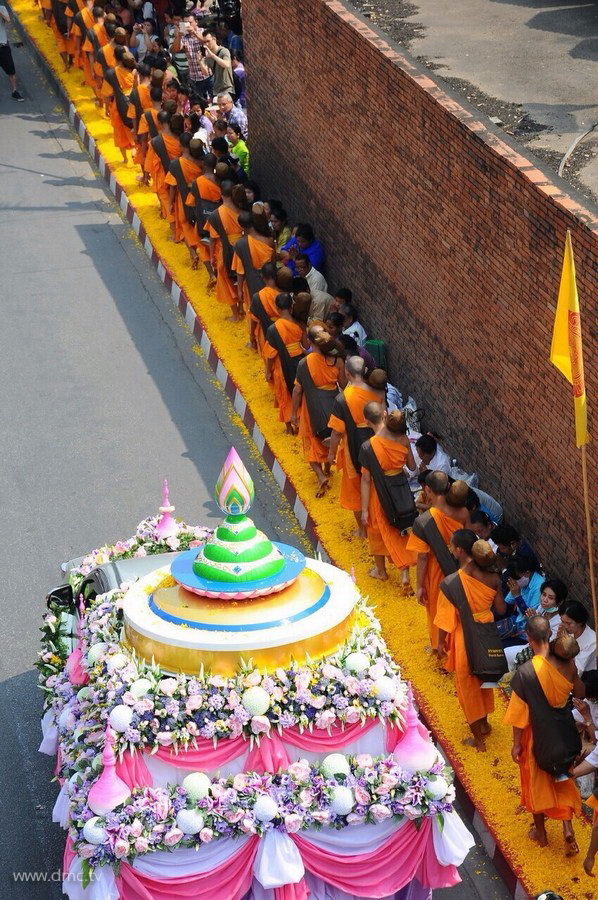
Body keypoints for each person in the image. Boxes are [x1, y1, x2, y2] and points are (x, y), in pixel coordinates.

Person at [505, 615, 583, 854]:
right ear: (549, 634)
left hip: (536, 736)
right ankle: (567, 826)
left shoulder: (527, 672)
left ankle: (541, 832)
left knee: (535, 782)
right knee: (561, 777)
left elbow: (520, 714)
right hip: (563, 733)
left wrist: (517, 744)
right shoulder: (567, 664)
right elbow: (580, 691)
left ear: (528, 638)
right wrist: (575, 672)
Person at [436, 532, 505, 750]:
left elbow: (445, 622)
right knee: (484, 680)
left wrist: (439, 645)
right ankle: (484, 724)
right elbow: (502, 609)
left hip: (465, 638)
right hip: (488, 635)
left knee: (468, 689)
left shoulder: (453, 583)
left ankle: (479, 740)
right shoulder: (494, 578)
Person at [407, 471, 470, 649]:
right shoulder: (463, 512)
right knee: (455, 607)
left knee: (437, 607)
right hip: (459, 566)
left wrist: (419, 586)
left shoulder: (425, 520)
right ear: (448, 487)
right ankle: (454, 646)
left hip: (436, 570)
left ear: (427, 489)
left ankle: (438, 646)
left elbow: (423, 556)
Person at [327, 356, 385, 539]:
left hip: (353, 445)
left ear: (347, 373)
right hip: (377, 442)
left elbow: (336, 432)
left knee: (355, 489)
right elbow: (384, 418)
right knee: (374, 485)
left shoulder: (343, 398)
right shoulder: (377, 393)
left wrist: (331, 455)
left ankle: (362, 530)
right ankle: (377, 526)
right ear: (365, 371)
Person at [359, 405, 418, 584]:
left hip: (381, 493)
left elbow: (366, 479)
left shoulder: (369, 446)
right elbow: (413, 467)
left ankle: (380, 570)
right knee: (400, 529)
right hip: (401, 489)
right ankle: (405, 572)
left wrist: (364, 510)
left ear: (385, 419)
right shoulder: (404, 440)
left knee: (377, 530)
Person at [291, 329, 346, 497]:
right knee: (330, 435)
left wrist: (294, 413)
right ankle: (328, 468)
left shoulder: (305, 363)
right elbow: (343, 384)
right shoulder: (338, 361)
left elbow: (298, 390)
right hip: (333, 403)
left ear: (314, 344)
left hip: (312, 406)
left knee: (311, 440)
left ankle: (321, 475)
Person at [264, 293, 306, 431]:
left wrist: (268, 371)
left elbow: (270, 354)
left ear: (277, 308)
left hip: (281, 365)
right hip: (299, 362)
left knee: (284, 395)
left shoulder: (273, 329)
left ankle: (289, 427)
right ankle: (300, 425)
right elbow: (305, 345)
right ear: (291, 308)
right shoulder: (300, 325)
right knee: (298, 393)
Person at [206, 178, 243, 318]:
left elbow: (213, 238)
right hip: (242, 249)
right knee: (240, 279)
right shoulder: (241, 209)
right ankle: (241, 308)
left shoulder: (217, 214)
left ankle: (235, 314)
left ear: (220, 193)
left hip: (225, 251)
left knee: (226, 282)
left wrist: (211, 257)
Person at [185, 151, 221, 278]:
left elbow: (193, 202)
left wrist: (195, 218)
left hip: (202, 218)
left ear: (204, 165)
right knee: (217, 246)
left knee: (202, 246)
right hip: (218, 218)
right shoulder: (220, 181)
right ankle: (218, 272)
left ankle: (211, 274)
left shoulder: (197, 182)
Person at [559, 600, 596, 674]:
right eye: (563, 622)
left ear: (580, 622)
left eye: (569, 623)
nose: (565, 626)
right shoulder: (565, 630)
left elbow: (577, 670)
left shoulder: (592, 641)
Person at [198, 28, 234, 99]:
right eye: (204, 42)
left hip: (227, 88)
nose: (206, 44)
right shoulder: (208, 56)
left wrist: (213, 55)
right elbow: (205, 73)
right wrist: (199, 61)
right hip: (216, 89)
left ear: (214, 39)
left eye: (208, 41)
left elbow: (226, 65)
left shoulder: (224, 51)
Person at [0, 5, 24, 100]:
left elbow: (8, 20)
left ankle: (14, 91)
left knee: (11, 70)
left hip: (2, 45)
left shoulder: (2, 8)